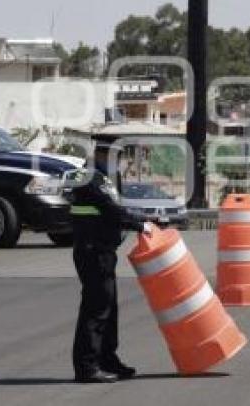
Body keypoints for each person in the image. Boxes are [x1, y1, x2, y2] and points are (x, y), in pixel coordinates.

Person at [66, 141, 151, 383]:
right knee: (96, 309)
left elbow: (115, 208)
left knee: (108, 308)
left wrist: (141, 218)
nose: (121, 161)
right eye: (118, 155)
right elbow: (111, 209)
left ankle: (107, 359)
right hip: (93, 252)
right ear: (104, 153)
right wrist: (140, 224)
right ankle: (87, 367)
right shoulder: (91, 178)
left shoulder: (102, 176)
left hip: (101, 251)